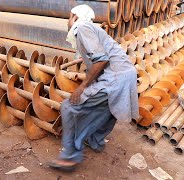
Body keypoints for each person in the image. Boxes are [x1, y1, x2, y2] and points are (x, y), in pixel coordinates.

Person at [48, 5, 139, 172]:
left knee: (68, 107)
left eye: (69, 17)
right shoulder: (90, 29)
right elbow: (96, 63)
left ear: (75, 17)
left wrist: (82, 87)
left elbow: (101, 60)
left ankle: (70, 156)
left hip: (116, 77)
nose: (67, 21)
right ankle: (95, 141)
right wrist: (87, 81)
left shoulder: (83, 28)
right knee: (106, 111)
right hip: (126, 75)